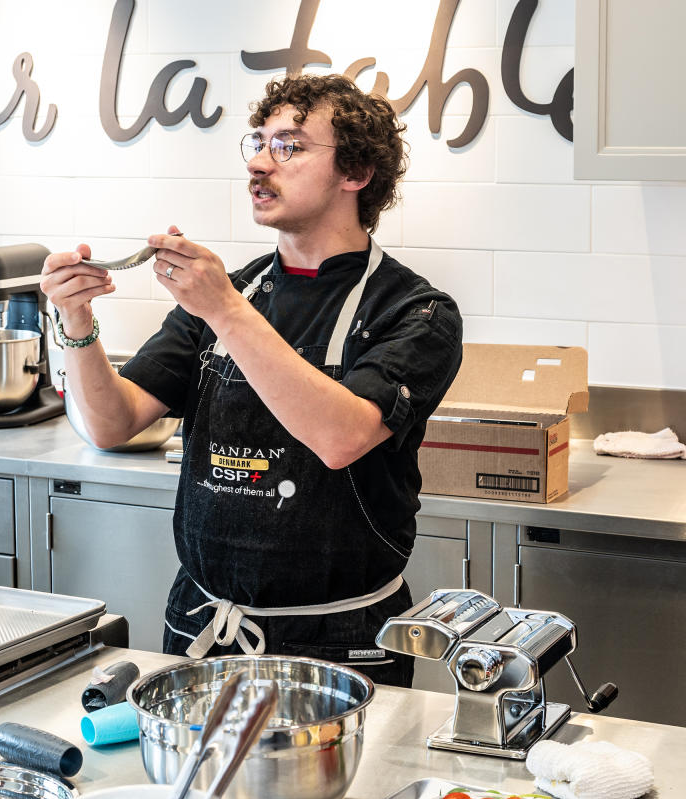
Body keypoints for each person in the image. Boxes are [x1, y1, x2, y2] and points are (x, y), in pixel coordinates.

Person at [40, 73, 462, 687]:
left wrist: (225, 310)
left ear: (357, 172)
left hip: (341, 644)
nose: (261, 163)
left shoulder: (415, 313)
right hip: (203, 626)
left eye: (289, 146)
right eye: (258, 143)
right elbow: (111, 423)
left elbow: (340, 436)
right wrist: (76, 322)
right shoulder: (231, 292)